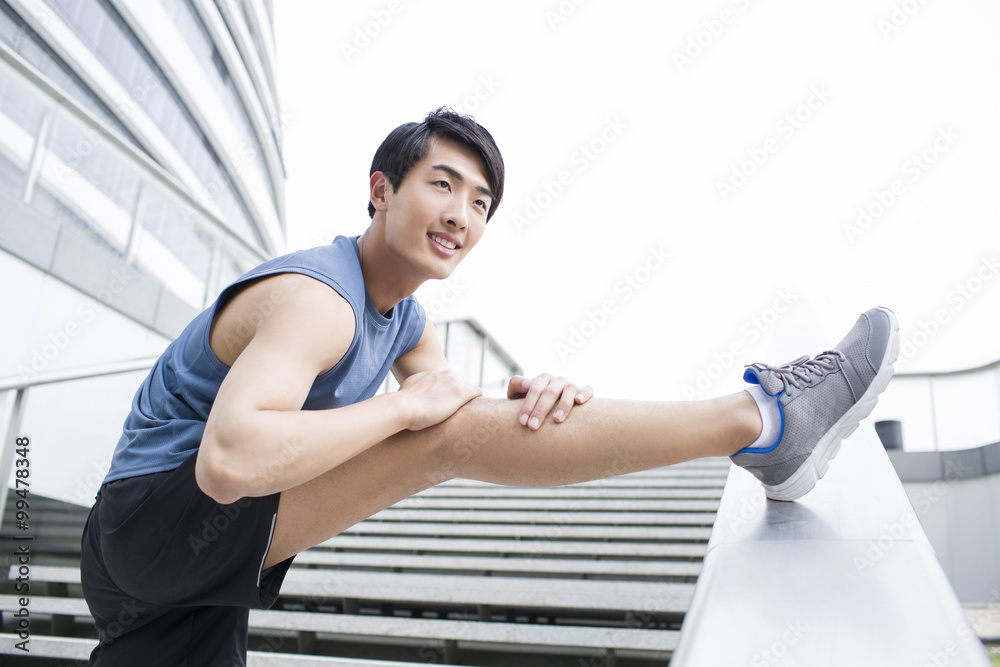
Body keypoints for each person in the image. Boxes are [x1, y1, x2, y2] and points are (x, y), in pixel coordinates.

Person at [80, 107, 899, 665]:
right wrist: (406, 408)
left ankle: (765, 427)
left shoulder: (401, 318)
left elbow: (468, 411)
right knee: (440, 433)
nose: (461, 215)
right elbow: (231, 458)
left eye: (481, 202)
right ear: (381, 190)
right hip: (157, 520)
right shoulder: (318, 300)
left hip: (151, 566)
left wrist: (539, 392)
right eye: (441, 184)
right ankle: (762, 419)